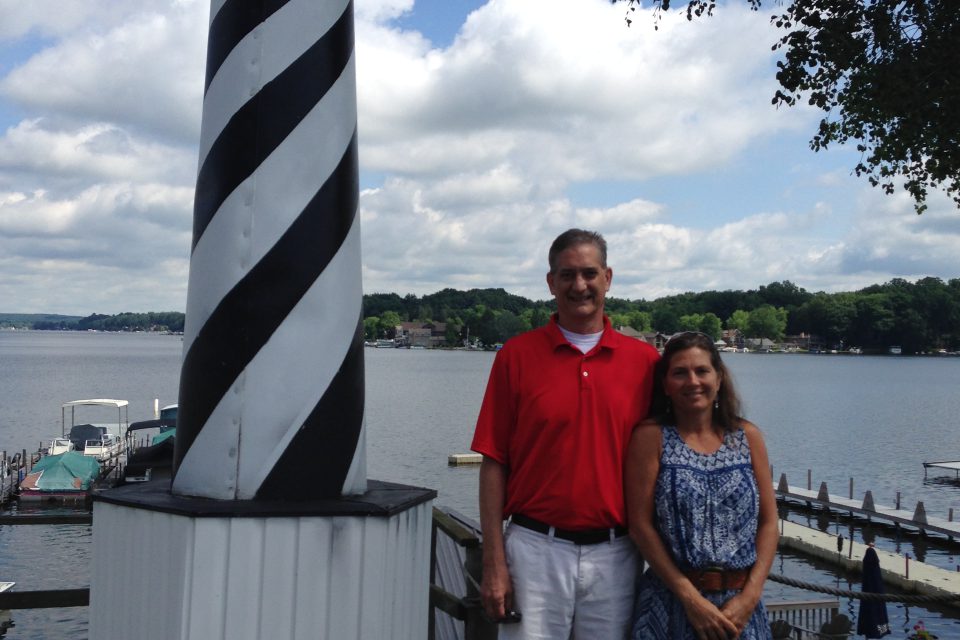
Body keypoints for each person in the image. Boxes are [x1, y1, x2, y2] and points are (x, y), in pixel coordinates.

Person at [470, 228, 660, 639]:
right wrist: (493, 560)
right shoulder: (515, 357)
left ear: (608, 278)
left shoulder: (644, 362)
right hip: (534, 550)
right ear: (550, 282)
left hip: (617, 553)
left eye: (589, 273)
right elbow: (493, 462)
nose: (579, 285)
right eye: (567, 274)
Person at [626, 331, 778, 640]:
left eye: (702, 371)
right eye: (679, 373)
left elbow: (769, 522)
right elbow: (640, 526)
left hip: (739, 609)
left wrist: (750, 596)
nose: (692, 381)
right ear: (666, 385)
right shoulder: (651, 437)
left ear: (719, 378)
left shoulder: (747, 438)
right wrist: (690, 598)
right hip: (670, 604)